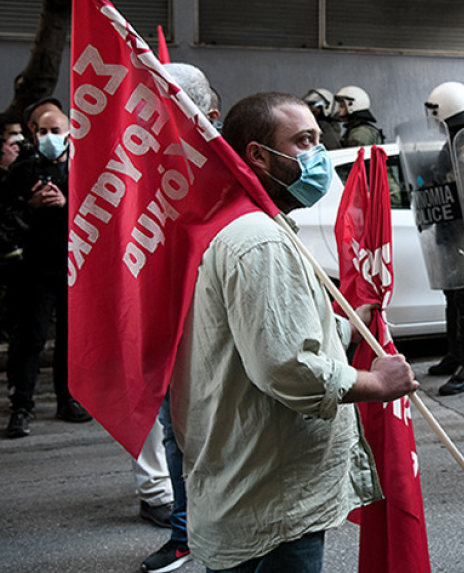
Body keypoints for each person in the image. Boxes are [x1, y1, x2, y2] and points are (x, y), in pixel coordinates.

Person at [170, 91, 418, 571]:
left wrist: (345, 326)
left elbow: (263, 334)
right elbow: (288, 368)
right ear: (258, 155)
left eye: (319, 140)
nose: (317, 155)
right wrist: (377, 383)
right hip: (272, 502)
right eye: (303, 141)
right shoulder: (258, 239)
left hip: (261, 494)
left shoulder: (254, 226)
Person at [138, 61, 223, 573]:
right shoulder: (136, 168)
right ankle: (185, 532)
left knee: (227, 430)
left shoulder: (235, 165)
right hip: (173, 320)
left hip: (224, 323)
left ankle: (228, 531)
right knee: (176, 434)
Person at [1, 100, 92, 438]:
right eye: (43, 131)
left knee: (71, 338)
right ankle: (21, 405)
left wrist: (66, 204)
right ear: (33, 133)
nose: (49, 137)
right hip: (35, 269)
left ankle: (68, 398)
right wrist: (31, 205)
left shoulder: (83, 170)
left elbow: (94, 216)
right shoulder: (22, 172)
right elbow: (4, 218)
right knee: (31, 338)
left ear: (69, 134)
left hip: (72, 267)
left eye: (56, 131)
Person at [422, 82, 464, 396]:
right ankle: (457, 354)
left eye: (436, 112)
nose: (434, 119)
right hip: (451, 228)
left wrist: (437, 184)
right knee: (453, 292)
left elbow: (463, 186)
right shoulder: (454, 140)